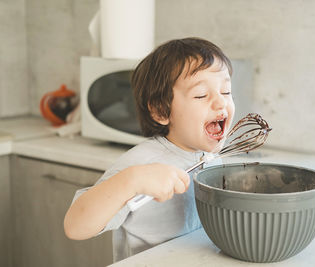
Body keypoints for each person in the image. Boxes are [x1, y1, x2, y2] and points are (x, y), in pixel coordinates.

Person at [63, 37, 235, 262]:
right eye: (201, 95)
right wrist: (132, 180)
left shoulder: (211, 157)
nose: (220, 103)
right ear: (161, 111)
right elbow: (75, 226)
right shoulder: (142, 163)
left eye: (226, 91)